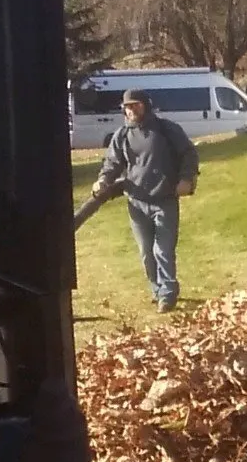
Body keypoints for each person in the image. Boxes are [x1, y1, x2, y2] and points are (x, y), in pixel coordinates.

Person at [74, 87, 199, 308]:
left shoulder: (167, 130)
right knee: (146, 253)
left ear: (146, 105)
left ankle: (167, 293)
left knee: (163, 249)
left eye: (135, 105)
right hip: (137, 203)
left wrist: (186, 179)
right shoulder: (122, 135)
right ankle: (157, 288)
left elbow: (189, 153)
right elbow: (112, 164)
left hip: (165, 199)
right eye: (127, 107)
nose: (131, 110)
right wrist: (103, 180)